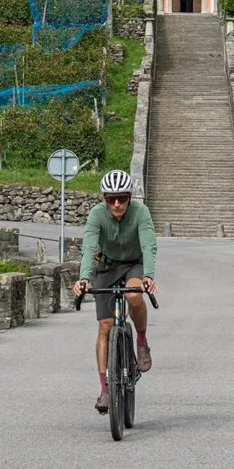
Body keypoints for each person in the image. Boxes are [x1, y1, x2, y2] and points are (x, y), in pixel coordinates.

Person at [74, 169, 159, 414]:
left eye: (122, 197)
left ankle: (141, 341)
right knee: (105, 326)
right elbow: (89, 248)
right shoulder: (97, 215)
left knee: (134, 295)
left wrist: (148, 276)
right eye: (111, 199)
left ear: (130, 196)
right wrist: (83, 279)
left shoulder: (141, 213)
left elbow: (148, 244)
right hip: (107, 266)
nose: (117, 203)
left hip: (135, 264)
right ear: (104, 198)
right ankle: (105, 390)